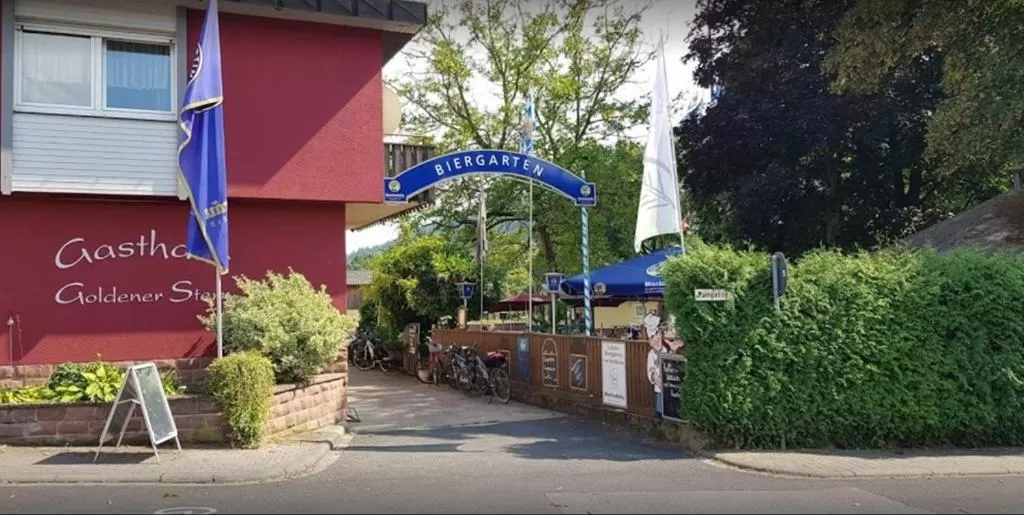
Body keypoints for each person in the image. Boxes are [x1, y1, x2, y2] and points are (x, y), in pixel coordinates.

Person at [644, 313, 684, 418]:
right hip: (660, 390)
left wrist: (673, 349)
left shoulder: (667, 350)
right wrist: (655, 378)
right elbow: (650, 371)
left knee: (673, 411)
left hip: (672, 388)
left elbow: (672, 363)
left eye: (658, 338)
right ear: (649, 342)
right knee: (660, 412)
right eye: (653, 340)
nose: (656, 342)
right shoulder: (651, 354)